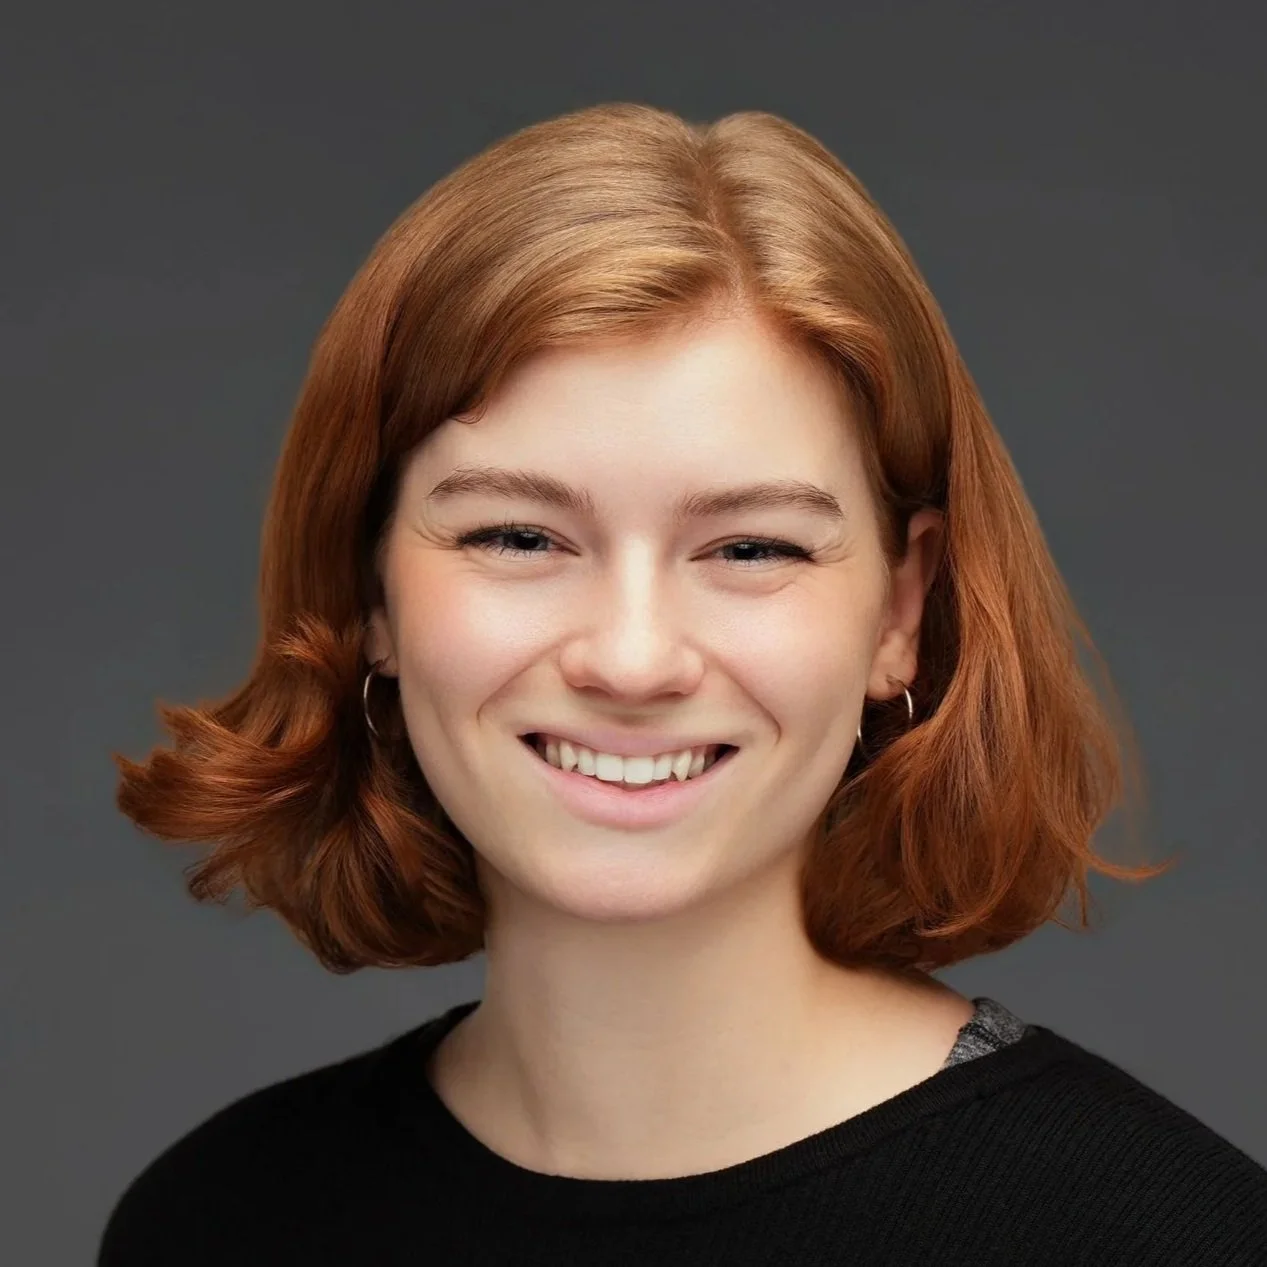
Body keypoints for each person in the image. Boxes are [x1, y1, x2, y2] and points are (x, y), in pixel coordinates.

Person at [98, 103, 1267, 1265]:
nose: (632, 658)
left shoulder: (1166, 1237)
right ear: (370, 596)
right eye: (517, 536)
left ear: (899, 612)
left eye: (752, 548)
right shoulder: (216, 1220)